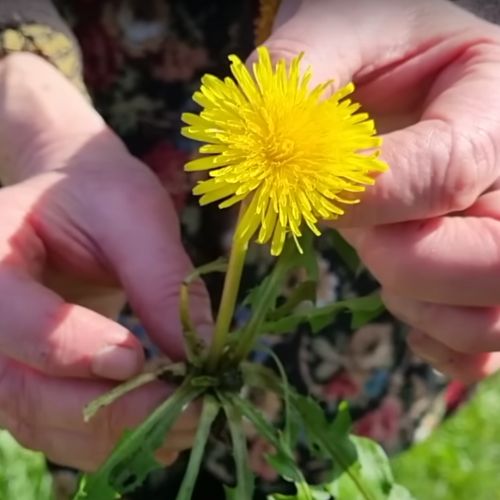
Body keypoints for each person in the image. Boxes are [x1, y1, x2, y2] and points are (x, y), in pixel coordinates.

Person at [1, 0, 500, 497]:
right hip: (92, 127)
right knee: (98, 426)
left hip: (404, 117)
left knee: (303, 454)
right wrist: (27, 98)